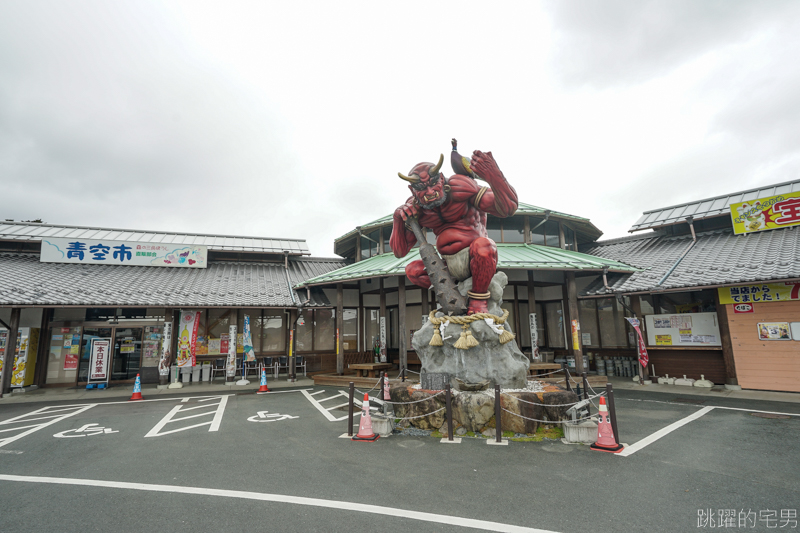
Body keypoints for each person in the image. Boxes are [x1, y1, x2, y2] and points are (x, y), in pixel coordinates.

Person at [390, 149, 518, 315]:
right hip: (447, 266)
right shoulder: (416, 207)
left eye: (433, 184)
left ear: (442, 178)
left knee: (485, 247)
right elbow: (400, 252)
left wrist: (493, 175)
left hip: (476, 257)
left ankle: (478, 301)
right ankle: (453, 296)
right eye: (422, 188)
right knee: (413, 270)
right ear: (412, 190)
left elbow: (508, 208)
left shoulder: (460, 186)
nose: (430, 192)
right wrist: (398, 219)